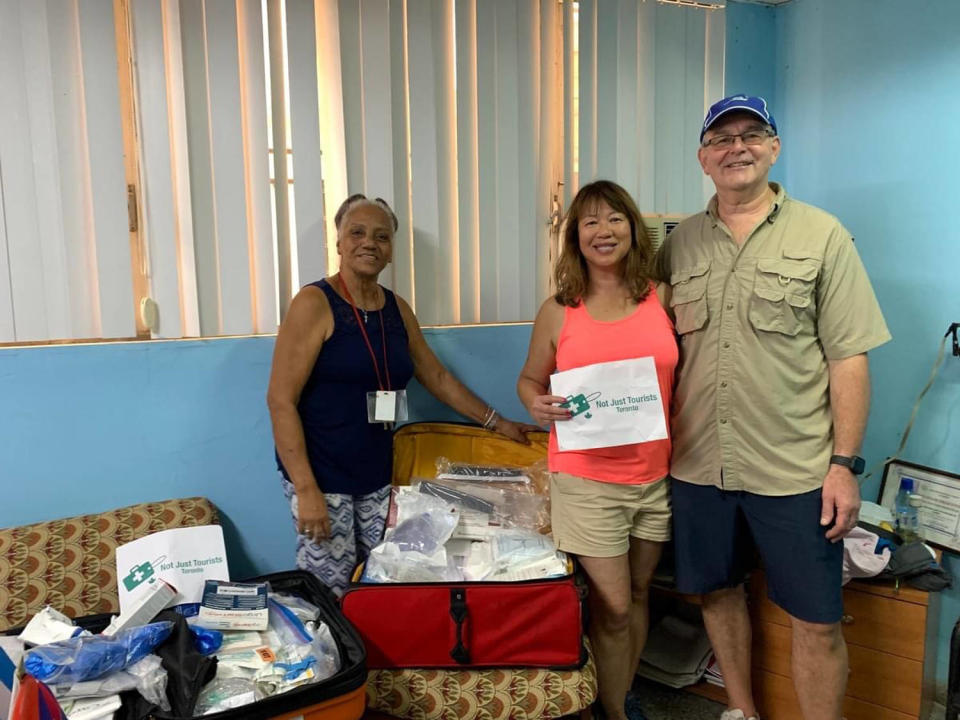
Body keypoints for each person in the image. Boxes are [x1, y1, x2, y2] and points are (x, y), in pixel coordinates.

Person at [654, 95, 891, 720]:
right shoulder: (678, 246)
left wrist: (845, 464)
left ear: (774, 147)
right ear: (704, 159)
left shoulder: (822, 235)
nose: (737, 147)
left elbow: (849, 358)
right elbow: (641, 343)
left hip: (795, 472)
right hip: (700, 466)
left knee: (816, 619)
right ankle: (741, 709)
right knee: (717, 595)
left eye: (751, 134)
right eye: (721, 138)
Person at [267, 193, 536, 597]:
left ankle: (378, 659)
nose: (369, 243)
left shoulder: (396, 308)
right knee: (329, 590)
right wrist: (306, 490)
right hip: (323, 476)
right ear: (338, 242)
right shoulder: (314, 303)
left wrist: (498, 423)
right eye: (356, 233)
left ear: (391, 252)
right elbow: (280, 399)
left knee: (382, 576)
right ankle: (337, 660)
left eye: (381, 236)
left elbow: (436, 376)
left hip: (378, 473)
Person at [517, 180, 678, 720]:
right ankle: (615, 709)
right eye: (589, 222)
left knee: (637, 594)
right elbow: (528, 381)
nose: (603, 231)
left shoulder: (664, 297)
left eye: (614, 219)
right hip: (587, 480)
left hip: (655, 477)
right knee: (611, 606)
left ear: (633, 227)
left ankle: (620, 689)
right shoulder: (560, 310)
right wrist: (538, 405)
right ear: (575, 238)